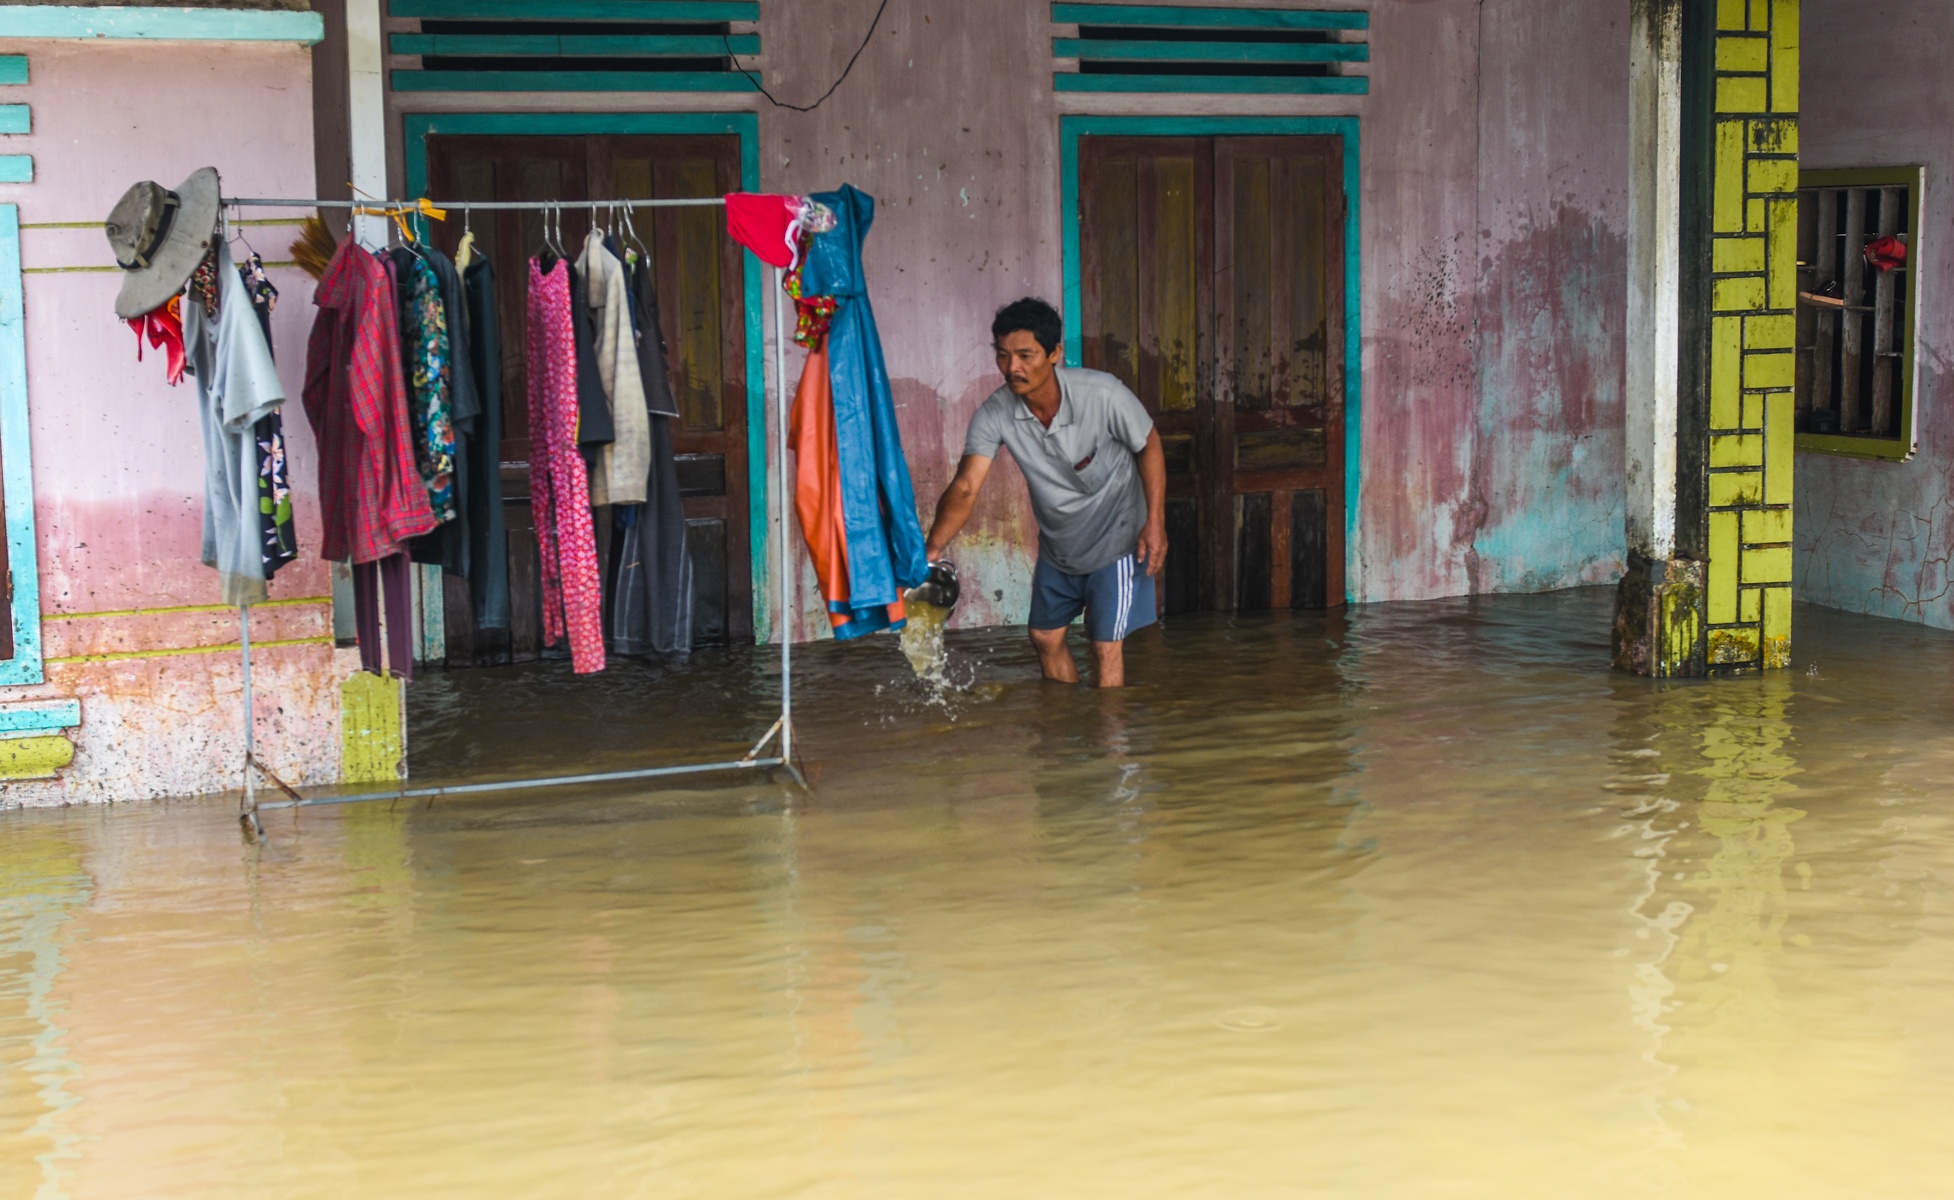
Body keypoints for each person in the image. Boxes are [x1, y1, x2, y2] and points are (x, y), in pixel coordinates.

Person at [924, 298, 1166, 688]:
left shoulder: (1102, 393)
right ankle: (1063, 721)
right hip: (1059, 546)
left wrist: (1155, 522)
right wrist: (932, 549)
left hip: (1116, 540)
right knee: (1044, 637)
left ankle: (1112, 728)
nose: (1012, 368)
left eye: (1025, 355)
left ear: (1054, 353)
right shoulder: (994, 413)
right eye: (1003, 356)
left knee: (1104, 647)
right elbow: (966, 486)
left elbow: (1148, 445)